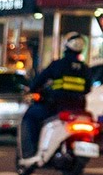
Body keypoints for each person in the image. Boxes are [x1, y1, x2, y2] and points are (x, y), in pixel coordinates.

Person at [19, 32, 91, 160]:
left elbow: (39, 80)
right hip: (78, 108)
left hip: (56, 106)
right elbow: (87, 89)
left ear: (66, 45)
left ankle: (30, 152)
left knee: (31, 116)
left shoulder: (58, 65)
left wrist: (31, 88)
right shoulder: (85, 69)